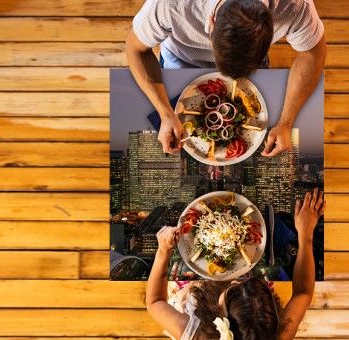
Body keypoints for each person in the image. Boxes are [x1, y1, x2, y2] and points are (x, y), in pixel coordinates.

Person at [126, 0, 327, 156]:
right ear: (211, 22)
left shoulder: (295, 6)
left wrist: (286, 122)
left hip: (254, 68)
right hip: (181, 59)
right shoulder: (169, 5)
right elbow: (135, 49)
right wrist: (165, 113)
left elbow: (312, 54)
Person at [146, 189, 326, 339]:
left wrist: (162, 251)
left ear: (220, 319)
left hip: (196, 298)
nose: (236, 281)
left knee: (184, 292)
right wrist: (306, 234)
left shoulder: (197, 334)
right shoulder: (276, 334)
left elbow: (154, 301)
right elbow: (303, 293)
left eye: (234, 289)